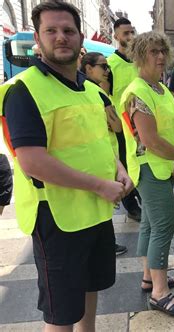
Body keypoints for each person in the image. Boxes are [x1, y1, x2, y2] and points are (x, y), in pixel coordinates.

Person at [0, 1, 133, 330]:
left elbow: (99, 141)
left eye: (68, 31)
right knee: (61, 313)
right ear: (38, 37)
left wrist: (118, 169)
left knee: (89, 291)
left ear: (80, 37)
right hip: (57, 219)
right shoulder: (24, 91)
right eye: (51, 31)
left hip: (95, 211)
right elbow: (32, 161)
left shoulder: (89, 90)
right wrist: (100, 185)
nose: (61, 37)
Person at [120, 31, 174, 316]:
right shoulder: (138, 91)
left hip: (161, 165)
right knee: (163, 225)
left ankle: (150, 278)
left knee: (149, 224)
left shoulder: (159, 88)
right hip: (149, 166)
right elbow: (151, 140)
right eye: (152, 52)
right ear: (139, 56)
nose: (160, 57)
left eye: (163, 51)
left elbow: (173, 128)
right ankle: (160, 292)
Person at [80, 52, 128, 256]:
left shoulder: (84, 88)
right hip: (107, 150)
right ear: (89, 68)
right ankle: (106, 244)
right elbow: (117, 126)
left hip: (99, 151)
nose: (107, 71)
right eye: (103, 66)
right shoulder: (96, 92)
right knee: (105, 200)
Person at [107, 17, 142, 222]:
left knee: (139, 160)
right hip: (121, 126)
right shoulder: (110, 65)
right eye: (125, 33)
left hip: (140, 123)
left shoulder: (138, 61)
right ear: (116, 36)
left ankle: (136, 192)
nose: (129, 37)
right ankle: (131, 205)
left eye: (131, 32)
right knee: (125, 165)